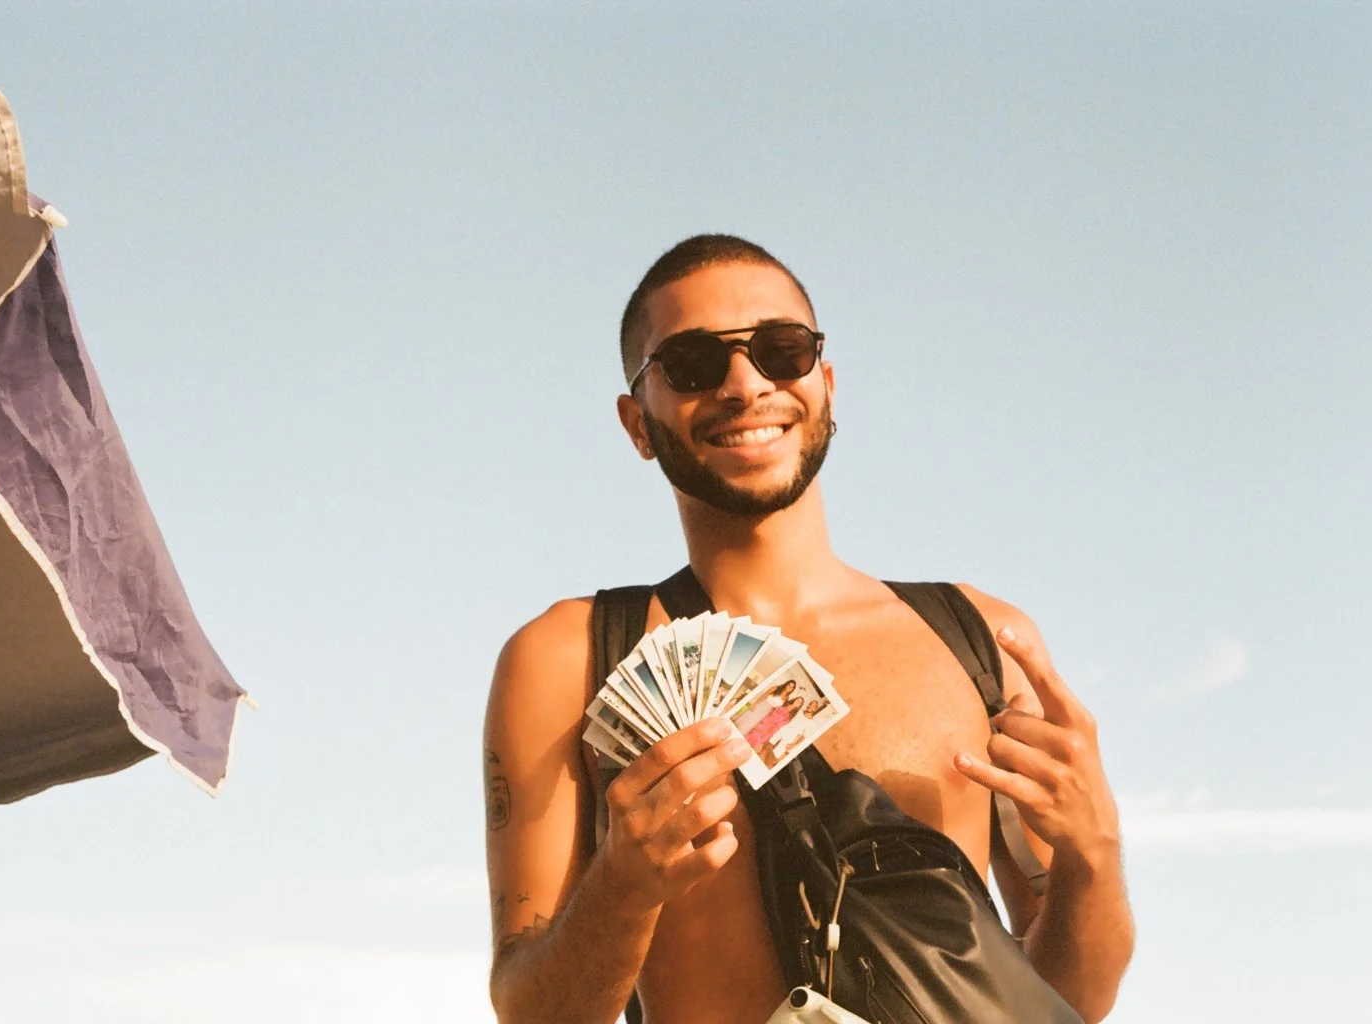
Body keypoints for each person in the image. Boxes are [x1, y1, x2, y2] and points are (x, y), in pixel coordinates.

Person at [482, 235, 1134, 1024]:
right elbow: (529, 1010)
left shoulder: (980, 641)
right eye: (691, 364)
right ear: (637, 423)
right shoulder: (566, 659)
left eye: (779, 350)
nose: (744, 384)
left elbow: (1064, 1004)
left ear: (824, 384)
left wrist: (1095, 855)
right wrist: (623, 884)